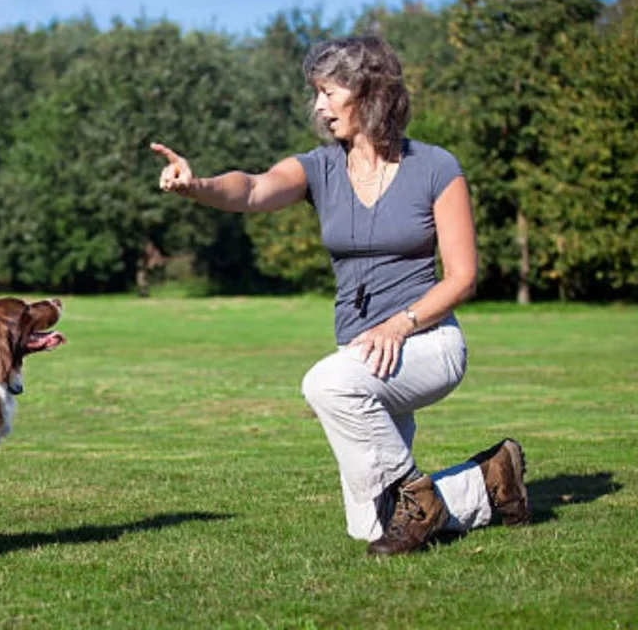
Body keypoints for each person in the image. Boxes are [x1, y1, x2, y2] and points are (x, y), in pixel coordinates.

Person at [151, 35, 529, 556]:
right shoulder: (322, 168)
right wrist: (199, 186)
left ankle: (416, 500)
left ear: (369, 90)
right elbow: (256, 188)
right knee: (372, 528)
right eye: (316, 95)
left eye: (328, 92)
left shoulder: (436, 168)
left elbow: (462, 277)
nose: (319, 107)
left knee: (325, 383)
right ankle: (492, 479)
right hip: (363, 355)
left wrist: (401, 324)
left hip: (425, 342)